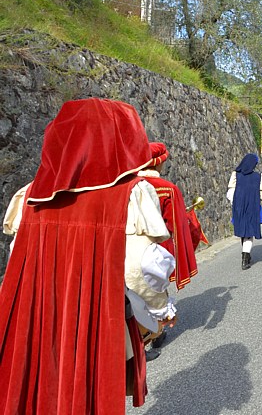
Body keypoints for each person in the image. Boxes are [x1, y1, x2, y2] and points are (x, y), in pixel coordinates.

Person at [0, 98, 174, 411]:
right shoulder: (130, 194)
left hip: (38, 316)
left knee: (40, 393)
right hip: (93, 316)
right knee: (85, 393)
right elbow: (139, 268)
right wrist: (160, 309)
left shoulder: (30, 195)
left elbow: (17, 260)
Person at [137, 142, 199, 355]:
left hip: (126, 245)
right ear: (159, 163)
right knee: (156, 287)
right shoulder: (167, 189)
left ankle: (140, 333)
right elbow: (172, 224)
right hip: (154, 245)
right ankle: (155, 331)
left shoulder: (127, 185)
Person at [227, 154, 262, 270]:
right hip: (252, 206)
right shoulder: (259, 177)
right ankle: (245, 259)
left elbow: (230, 193)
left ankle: (246, 255)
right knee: (249, 232)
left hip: (238, 207)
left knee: (243, 230)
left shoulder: (236, 175)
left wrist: (236, 204)